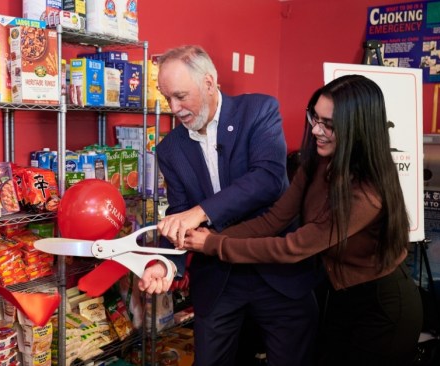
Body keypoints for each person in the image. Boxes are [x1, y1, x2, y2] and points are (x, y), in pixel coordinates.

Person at [180, 74, 424, 365]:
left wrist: (213, 245)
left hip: (382, 308)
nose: (317, 130)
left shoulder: (366, 192)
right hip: (338, 297)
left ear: (358, 128)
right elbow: (273, 220)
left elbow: (292, 248)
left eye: (329, 125)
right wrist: (213, 236)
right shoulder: (317, 162)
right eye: (314, 118)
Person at [138, 45, 320, 366]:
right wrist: (165, 265)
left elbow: (267, 179)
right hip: (219, 280)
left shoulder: (258, 111)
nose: (174, 108)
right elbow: (178, 213)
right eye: (167, 98)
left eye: (181, 96)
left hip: (276, 271)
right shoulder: (171, 149)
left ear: (209, 83)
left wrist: (200, 213)